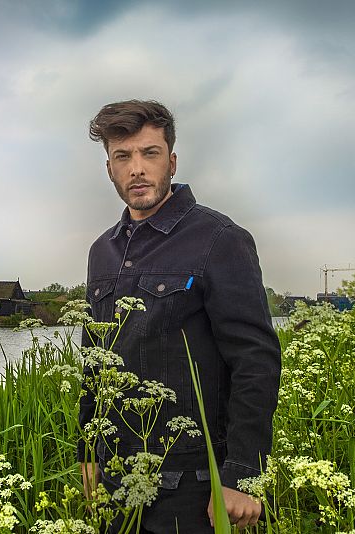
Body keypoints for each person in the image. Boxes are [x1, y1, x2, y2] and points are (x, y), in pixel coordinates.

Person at [79, 100, 281, 532]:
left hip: (195, 484)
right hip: (116, 475)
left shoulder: (220, 239)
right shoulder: (102, 252)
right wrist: (88, 452)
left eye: (149, 154)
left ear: (171, 161)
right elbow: (94, 360)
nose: (137, 168)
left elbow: (256, 361)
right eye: (123, 156)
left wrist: (243, 474)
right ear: (109, 169)